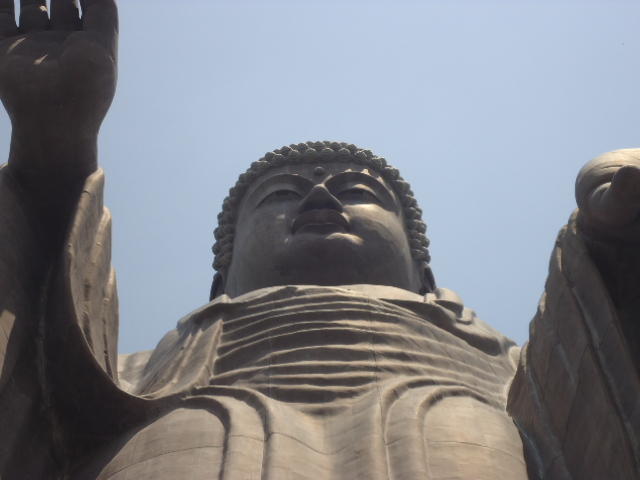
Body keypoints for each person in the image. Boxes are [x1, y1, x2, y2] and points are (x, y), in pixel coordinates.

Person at [0, 1, 638, 479]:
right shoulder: (140, 376)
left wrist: (615, 245)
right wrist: (53, 150)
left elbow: (600, 400)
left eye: (359, 191)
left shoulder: (515, 373)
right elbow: (39, 391)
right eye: (279, 195)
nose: (320, 199)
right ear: (221, 274)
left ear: (424, 273)